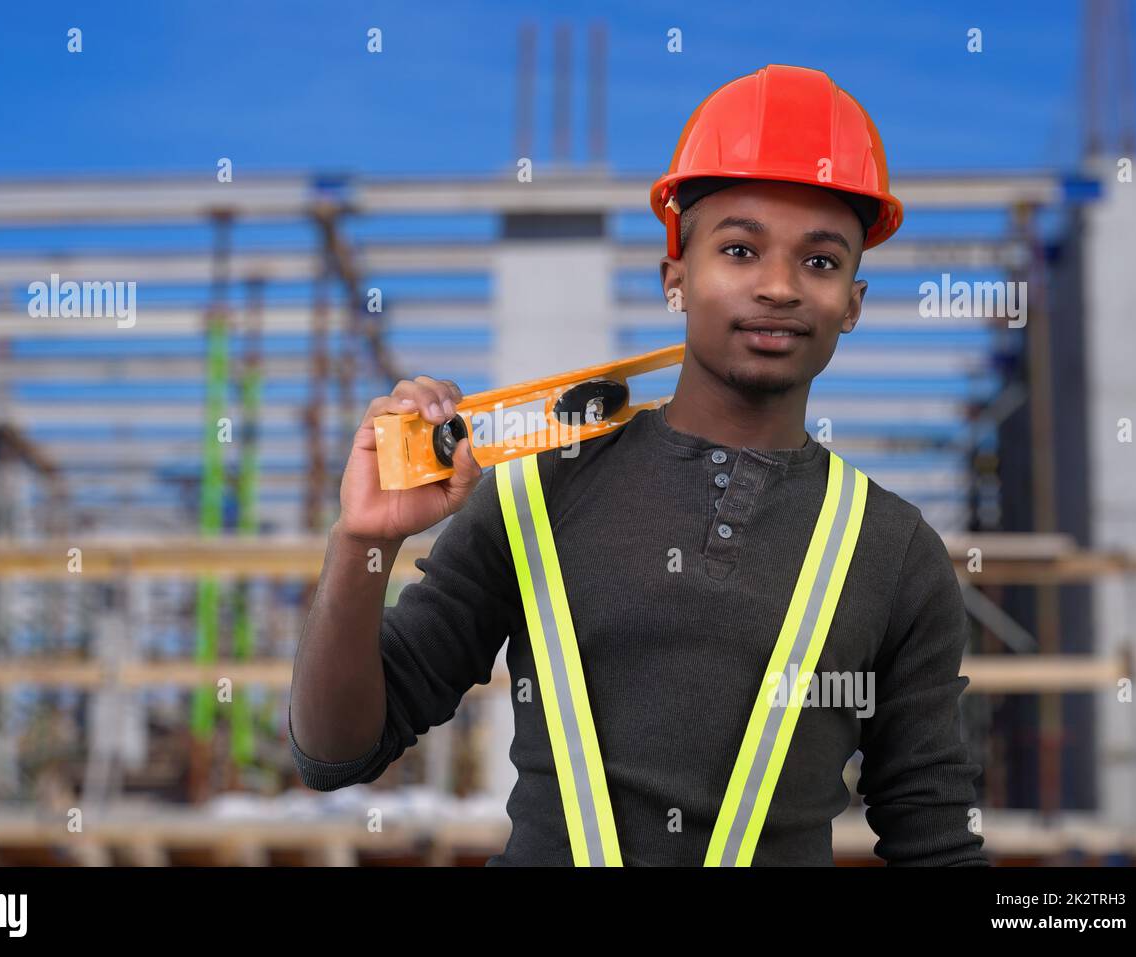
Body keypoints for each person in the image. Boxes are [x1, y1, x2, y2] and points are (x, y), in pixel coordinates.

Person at [289, 63, 988, 866]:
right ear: (676, 281)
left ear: (854, 304)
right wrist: (360, 544)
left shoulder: (891, 550)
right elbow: (336, 751)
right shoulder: (540, 489)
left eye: (821, 262)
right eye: (739, 249)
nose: (779, 287)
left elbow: (935, 836)